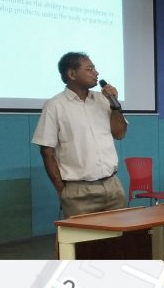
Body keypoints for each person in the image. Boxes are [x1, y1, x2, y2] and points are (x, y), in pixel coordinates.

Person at [32, 52, 128, 218]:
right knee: (83, 236)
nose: (96, 73)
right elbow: (47, 152)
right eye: (89, 69)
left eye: (94, 68)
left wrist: (115, 106)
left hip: (112, 186)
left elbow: (119, 134)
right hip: (78, 192)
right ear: (72, 74)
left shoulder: (103, 100)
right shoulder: (55, 105)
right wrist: (62, 190)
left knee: (119, 234)